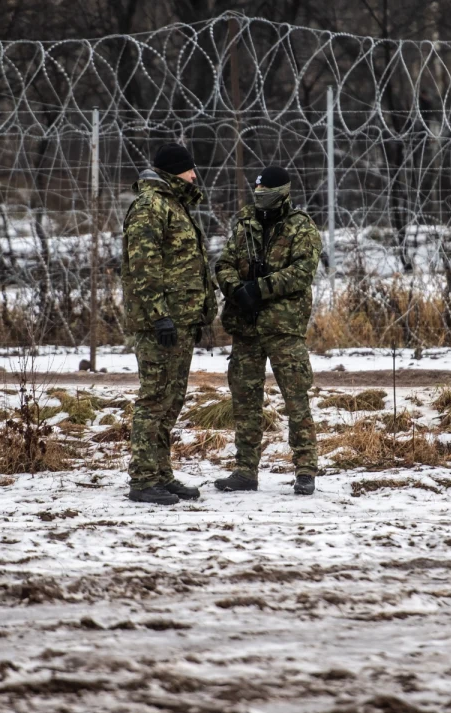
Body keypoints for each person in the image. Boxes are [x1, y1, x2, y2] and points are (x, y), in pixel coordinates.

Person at [213, 165, 320, 496]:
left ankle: (305, 469)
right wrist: (236, 289)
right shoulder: (245, 223)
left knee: (296, 398)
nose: (260, 198)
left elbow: (302, 272)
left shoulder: (301, 227)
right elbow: (224, 263)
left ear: (283, 192)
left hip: (283, 327)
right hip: (246, 325)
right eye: (257, 191)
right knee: (244, 400)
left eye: (266, 192)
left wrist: (260, 288)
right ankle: (245, 469)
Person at [121, 143, 217, 505]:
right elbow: (143, 268)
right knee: (155, 399)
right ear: (176, 171)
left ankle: (161, 474)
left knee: (170, 400)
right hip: (160, 323)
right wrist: (160, 315)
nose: (195, 175)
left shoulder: (174, 205)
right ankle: (143, 479)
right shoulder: (151, 207)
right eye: (190, 169)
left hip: (180, 320)